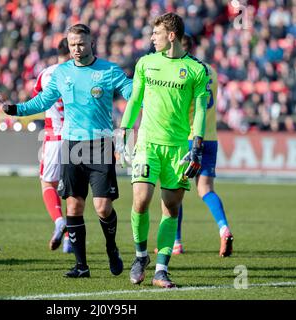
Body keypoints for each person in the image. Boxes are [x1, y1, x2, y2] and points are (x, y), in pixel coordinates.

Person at [0, 24, 132, 278]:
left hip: (100, 144)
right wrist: (13, 109)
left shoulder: (109, 70)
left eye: (81, 43)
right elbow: (42, 101)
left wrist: (147, 92)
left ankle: (112, 249)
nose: (76, 49)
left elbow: (132, 92)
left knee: (102, 208)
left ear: (91, 43)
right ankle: (81, 266)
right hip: (71, 145)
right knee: (74, 208)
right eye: (72, 44)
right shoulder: (61, 73)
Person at [119, 13, 209, 288]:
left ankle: (161, 270)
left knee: (171, 207)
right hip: (147, 143)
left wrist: (197, 145)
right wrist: (123, 131)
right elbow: (135, 99)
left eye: (155, 34)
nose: (151, 39)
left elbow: (201, 110)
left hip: (179, 148)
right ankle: (140, 256)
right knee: (141, 199)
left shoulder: (196, 70)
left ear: (171, 36)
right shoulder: (146, 63)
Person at [172, 34, 234, 257]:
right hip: (210, 138)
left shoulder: (183, 71)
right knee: (206, 189)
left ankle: (176, 242)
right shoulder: (211, 71)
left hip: (188, 137)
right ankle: (223, 228)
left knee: (175, 190)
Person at [32, 38, 73, 254]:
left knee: (48, 185)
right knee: (75, 193)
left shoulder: (45, 74)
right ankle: (71, 239)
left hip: (54, 137)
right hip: (79, 138)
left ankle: (59, 221)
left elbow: (37, 98)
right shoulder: (80, 71)